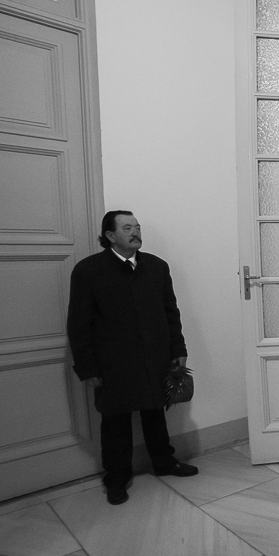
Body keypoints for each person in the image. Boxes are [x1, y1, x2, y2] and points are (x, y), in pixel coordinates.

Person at [67, 210, 197, 506]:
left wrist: (178, 349)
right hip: (113, 363)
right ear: (110, 235)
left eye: (137, 227)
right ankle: (116, 479)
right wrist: (86, 367)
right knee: (115, 423)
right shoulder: (88, 271)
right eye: (127, 228)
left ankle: (164, 462)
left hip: (155, 356)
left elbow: (170, 311)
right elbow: (78, 324)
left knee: (155, 414)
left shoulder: (157, 266)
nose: (135, 232)